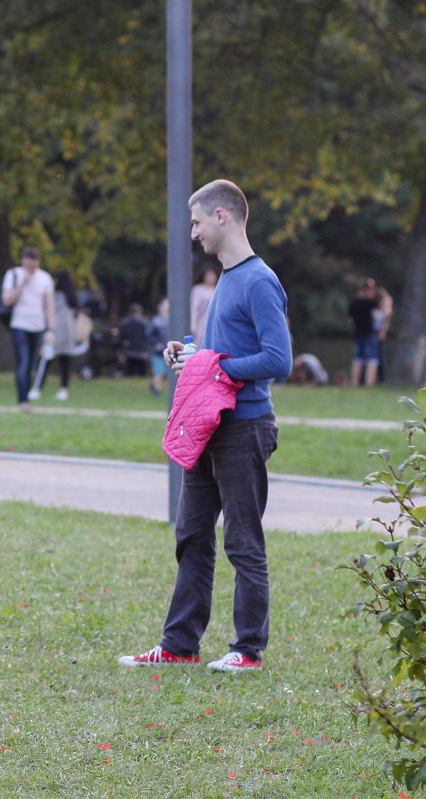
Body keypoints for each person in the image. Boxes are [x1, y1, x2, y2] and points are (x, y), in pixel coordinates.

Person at [119, 178, 292, 673]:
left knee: (242, 540)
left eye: (196, 222)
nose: (193, 233)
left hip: (245, 427)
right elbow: (228, 350)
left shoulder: (258, 280)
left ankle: (248, 650)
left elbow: (278, 358)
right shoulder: (227, 278)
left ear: (222, 216)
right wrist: (190, 354)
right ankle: (179, 645)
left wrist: (217, 368)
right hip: (208, 425)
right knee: (192, 534)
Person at [1, 246, 55, 410]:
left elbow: (49, 305)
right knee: (23, 363)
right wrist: (23, 283)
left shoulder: (45, 278)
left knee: (32, 364)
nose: (31, 267)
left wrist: (51, 329)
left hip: (37, 326)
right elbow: (6, 300)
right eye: (28, 263)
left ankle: (28, 395)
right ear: (23, 261)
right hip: (20, 325)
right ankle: (23, 400)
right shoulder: (14, 275)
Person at [33, 270, 79, 401]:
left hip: (54, 332)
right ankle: (63, 389)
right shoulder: (71, 296)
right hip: (68, 332)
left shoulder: (55, 295)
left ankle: (37, 388)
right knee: (65, 362)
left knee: (46, 360)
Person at [348, 278, 381, 387]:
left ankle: (355, 383)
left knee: (358, 360)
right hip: (369, 334)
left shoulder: (354, 302)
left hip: (357, 334)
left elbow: (350, 319)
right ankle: (369, 384)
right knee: (372, 360)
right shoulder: (370, 303)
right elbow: (382, 308)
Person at [115, 303, 151, 377]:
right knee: (142, 374)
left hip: (129, 352)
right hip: (142, 352)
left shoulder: (124, 322)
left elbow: (120, 338)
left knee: (129, 374)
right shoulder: (145, 323)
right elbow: (149, 337)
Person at [190, 267, 218, 347]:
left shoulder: (218, 288)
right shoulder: (198, 289)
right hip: (202, 321)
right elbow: (194, 308)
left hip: (215, 321)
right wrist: (193, 325)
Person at [148, 298, 170, 396]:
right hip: (159, 351)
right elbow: (149, 334)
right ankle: (157, 390)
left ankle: (155, 386)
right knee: (159, 371)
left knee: (167, 372)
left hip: (170, 350)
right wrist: (156, 344)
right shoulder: (156, 321)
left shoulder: (173, 321)